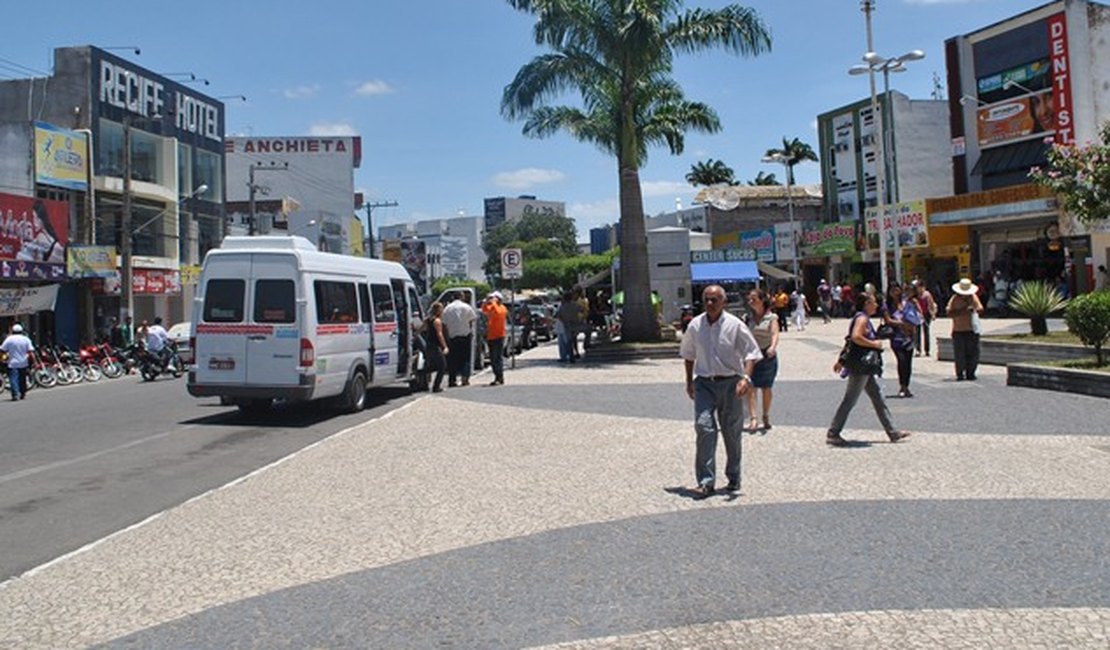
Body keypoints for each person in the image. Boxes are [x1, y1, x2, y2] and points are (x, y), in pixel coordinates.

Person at [679, 284, 762, 498]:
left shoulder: (735, 325)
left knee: (731, 432)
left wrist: (746, 377)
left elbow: (751, 353)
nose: (709, 303)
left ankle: (733, 476)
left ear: (724, 302)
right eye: (706, 299)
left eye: (714, 300)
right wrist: (689, 382)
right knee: (704, 427)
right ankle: (706, 481)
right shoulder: (696, 325)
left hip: (731, 383)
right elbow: (688, 354)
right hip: (704, 383)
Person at [826, 293, 912, 446]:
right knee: (850, 400)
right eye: (873, 302)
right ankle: (833, 432)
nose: (876, 305)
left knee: (878, 398)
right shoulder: (862, 319)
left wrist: (841, 360)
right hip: (861, 366)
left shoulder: (862, 318)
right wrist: (874, 344)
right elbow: (855, 337)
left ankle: (893, 432)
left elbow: (849, 342)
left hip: (865, 366)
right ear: (866, 303)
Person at [745, 289, 779, 432]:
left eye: (754, 298)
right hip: (752, 356)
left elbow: (775, 333)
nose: (751, 301)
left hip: (767, 355)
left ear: (762, 300)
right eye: (750, 299)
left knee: (766, 388)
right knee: (750, 387)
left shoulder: (771, 317)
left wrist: (772, 347)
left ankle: (765, 416)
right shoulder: (748, 317)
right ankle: (753, 418)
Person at [883, 283, 921, 398]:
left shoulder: (906, 303)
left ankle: (906, 386)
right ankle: (902, 386)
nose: (895, 292)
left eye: (897, 289)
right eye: (892, 290)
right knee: (901, 360)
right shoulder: (887, 305)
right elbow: (888, 320)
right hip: (896, 337)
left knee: (908, 362)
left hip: (909, 336)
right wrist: (902, 324)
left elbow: (917, 315)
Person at [947, 278, 985, 381]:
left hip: (972, 329)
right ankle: (960, 373)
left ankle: (971, 372)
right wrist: (963, 311)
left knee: (973, 353)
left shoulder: (973, 297)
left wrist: (974, 310)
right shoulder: (955, 299)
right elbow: (949, 313)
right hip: (958, 330)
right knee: (959, 354)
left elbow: (980, 309)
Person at [442, 291, 477, 387]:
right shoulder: (467, 307)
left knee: (452, 359)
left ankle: (452, 380)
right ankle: (465, 378)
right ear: (461, 297)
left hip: (452, 337)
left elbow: (444, 324)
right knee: (465, 358)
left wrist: (447, 335)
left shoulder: (447, 309)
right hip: (465, 336)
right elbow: (471, 320)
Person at [1, 323, 34, 401]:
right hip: (23, 362)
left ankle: (15, 394)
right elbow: (30, 352)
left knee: (13, 379)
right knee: (22, 379)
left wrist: (3, 359)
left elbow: (2, 349)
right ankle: (22, 393)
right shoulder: (26, 339)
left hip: (12, 363)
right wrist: (33, 361)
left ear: (13, 331)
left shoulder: (9, 339)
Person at [481, 291, 508, 386]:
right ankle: (497, 376)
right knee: (492, 358)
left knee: (497, 358)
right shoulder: (493, 307)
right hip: (491, 336)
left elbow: (497, 312)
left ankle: (499, 377)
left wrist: (493, 301)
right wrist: (486, 301)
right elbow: (484, 310)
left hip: (499, 336)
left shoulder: (502, 308)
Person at [422, 301, 449, 392]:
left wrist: (415, 332)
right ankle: (436, 386)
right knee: (442, 366)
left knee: (433, 365)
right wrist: (445, 346)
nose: (443, 310)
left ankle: (422, 373)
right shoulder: (437, 321)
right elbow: (439, 334)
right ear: (438, 310)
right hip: (435, 345)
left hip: (428, 345)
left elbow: (422, 329)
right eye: (441, 309)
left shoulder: (428, 320)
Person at [912, 280, 937, 357]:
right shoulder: (915, 295)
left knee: (926, 331)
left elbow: (931, 304)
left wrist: (933, 314)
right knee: (917, 332)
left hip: (926, 314)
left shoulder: (927, 294)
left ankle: (927, 350)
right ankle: (918, 349)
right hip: (917, 315)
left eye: (920, 287)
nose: (919, 289)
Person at [555, 290, 580, 363]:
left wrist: (564, 321)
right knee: (572, 340)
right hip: (575, 324)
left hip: (566, 325)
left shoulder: (563, 306)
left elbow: (558, 315)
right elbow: (581, 310)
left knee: (566, 342)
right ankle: (573, 355)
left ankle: (569, 356)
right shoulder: (575, 305)